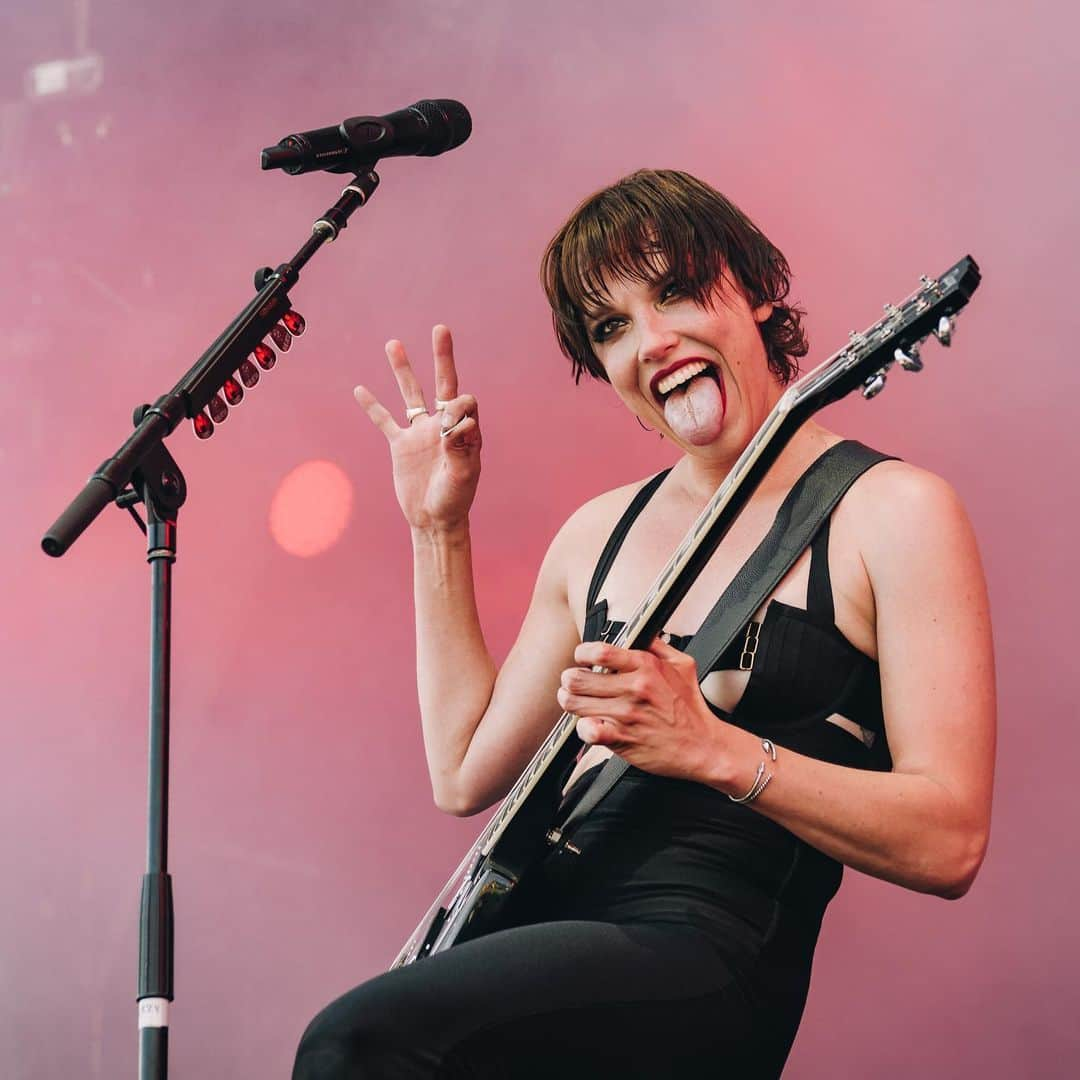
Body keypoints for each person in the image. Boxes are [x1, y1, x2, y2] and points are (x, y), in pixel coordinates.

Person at [292, 169, 996, 1078]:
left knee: (359, 1041)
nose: (651, 342)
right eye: (611, 327)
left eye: (675, 292)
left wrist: (710, 747)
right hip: (547, 923)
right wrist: (438, 527)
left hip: (705, 954)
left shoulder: (893, 510)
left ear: (755, 295)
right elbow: (463, 772)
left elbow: (950, 841)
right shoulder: (598, 533)